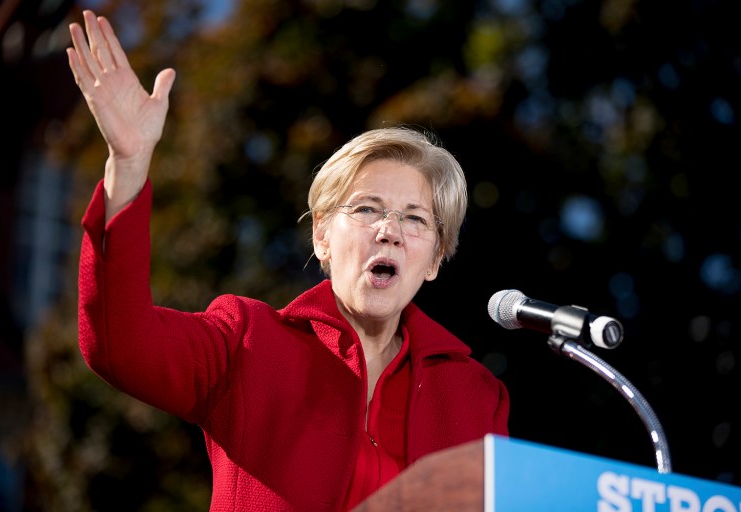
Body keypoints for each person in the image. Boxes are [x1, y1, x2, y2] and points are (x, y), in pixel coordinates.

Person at [67, 9, 509, 512]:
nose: (389, 231)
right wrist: (128, 167)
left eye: (415, 219)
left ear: (435, 258)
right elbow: (120, 344)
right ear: (321, 235)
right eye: (367, 209)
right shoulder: (246, 343)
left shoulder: (477, 396)